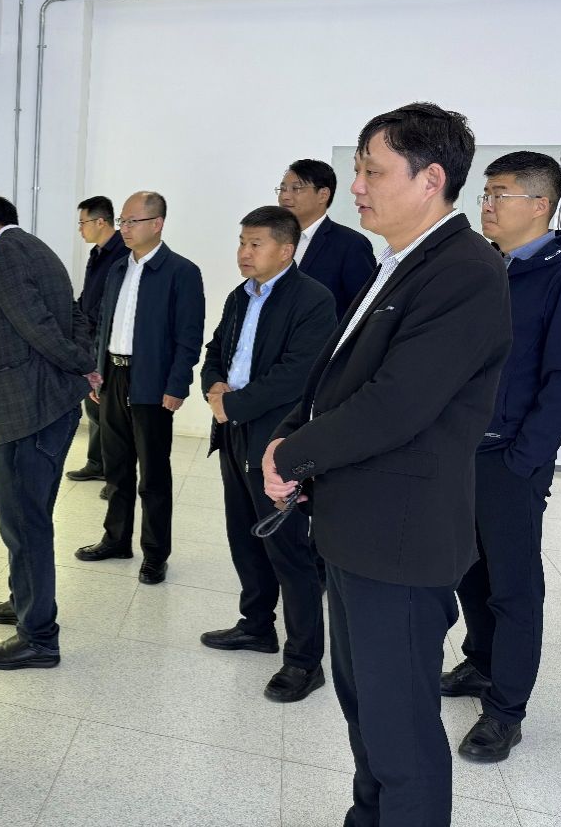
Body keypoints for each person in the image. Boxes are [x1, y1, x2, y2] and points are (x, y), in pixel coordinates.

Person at [263, 102, 512, 827]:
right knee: (365, 711)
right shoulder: (401, 263)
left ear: (430, 179)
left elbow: (396, 404)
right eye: (357, 170)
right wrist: (290, 434)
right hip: (357, 531)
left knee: (399, 731)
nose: (357, 186)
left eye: (372, 171)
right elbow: (338, 378)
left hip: (401, 542)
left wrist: (293, 454)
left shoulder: (465, 270)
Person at [441, 152, 561, 762]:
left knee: (512, 587)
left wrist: (524, 458)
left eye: (499, 194)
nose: (485, 204)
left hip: (510, 457)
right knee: (468, 569)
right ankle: (482, 662)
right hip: (463, 450)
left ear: (540, 204)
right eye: (485, 193)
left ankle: (505, 711)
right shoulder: (492, 267)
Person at [199, 206, 336, 702]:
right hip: (233, 432)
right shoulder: (241, 296)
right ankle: (256, 625)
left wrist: (231, 404)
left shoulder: (313, 300)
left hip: (277, 440)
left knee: (288, 552)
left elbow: (298, 375)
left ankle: (304, 660)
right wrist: (214, 386)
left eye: (255, 243)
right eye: (242, 242)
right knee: (244, 536)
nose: (244, 252)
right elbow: (217, 350)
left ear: (286, 249)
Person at [0, 193, 97, 670]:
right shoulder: (38, 248)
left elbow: (35, 324)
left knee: (25, 522)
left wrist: (79, 365)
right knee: (26, 518)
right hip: (43, 406)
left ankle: (38, 637)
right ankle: (24, 601)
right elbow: (76, 314)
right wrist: (83, 362)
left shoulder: (3, 253)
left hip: (28, 411)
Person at [75, 191, 204, 585]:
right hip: (112, 376)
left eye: (133, 221)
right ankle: (116, 539)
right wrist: (97, 371)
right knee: (116, 467)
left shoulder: (180, 272)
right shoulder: (118, 268)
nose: (125, 229)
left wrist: (177, 384)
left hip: (151, 381)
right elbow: (104, 325)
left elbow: (188, 336)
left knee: (153, 475)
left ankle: (155, 554)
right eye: (123, 222)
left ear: (157, 224)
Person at [65, 196, 125, 489]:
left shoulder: (122, 253)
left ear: (100, 221)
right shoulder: (97, 253)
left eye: (83, 222)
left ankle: (116, 475)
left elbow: (112, 305)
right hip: (90, 340)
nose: (80, 229)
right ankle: (97, 463)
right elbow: (89, 295)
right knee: (94, 406)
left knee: (111, 411)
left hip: (110, 344)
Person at [277, 158, 376, 320]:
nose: (285, 196)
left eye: (296, 189)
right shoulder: (274, 240)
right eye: (282, 189)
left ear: (323, 195)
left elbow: (364, 310)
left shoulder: (350, 244)